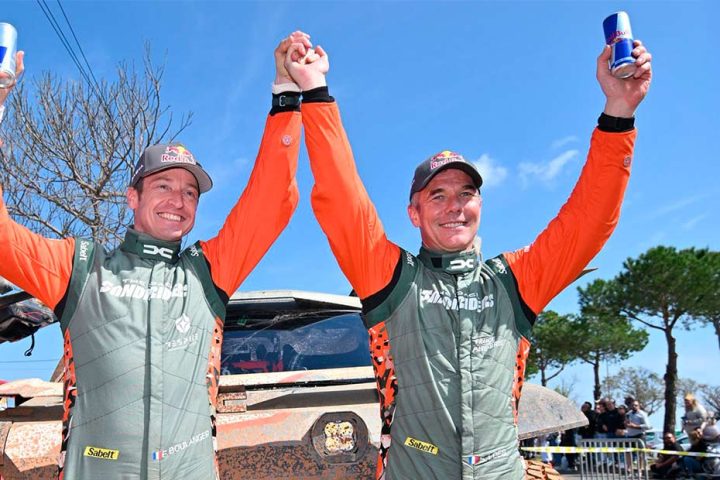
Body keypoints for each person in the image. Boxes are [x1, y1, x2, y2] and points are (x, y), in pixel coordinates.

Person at [285, 27, 653, 480]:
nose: (454, 206)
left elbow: (589, 221)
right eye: (437, 195)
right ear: (414, 213)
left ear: (480, 204)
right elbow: (342, 201)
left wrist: (619, 112)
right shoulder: (392, 278)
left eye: (466, 193)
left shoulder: (515, 280)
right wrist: (316, 91)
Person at [0, 33, 306, 479]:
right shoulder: (81, 268)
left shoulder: (207, 272)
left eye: (189, 193)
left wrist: (287, 95)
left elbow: (273, 199)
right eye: (163, 186)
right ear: (133, 197)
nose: (178, 201)